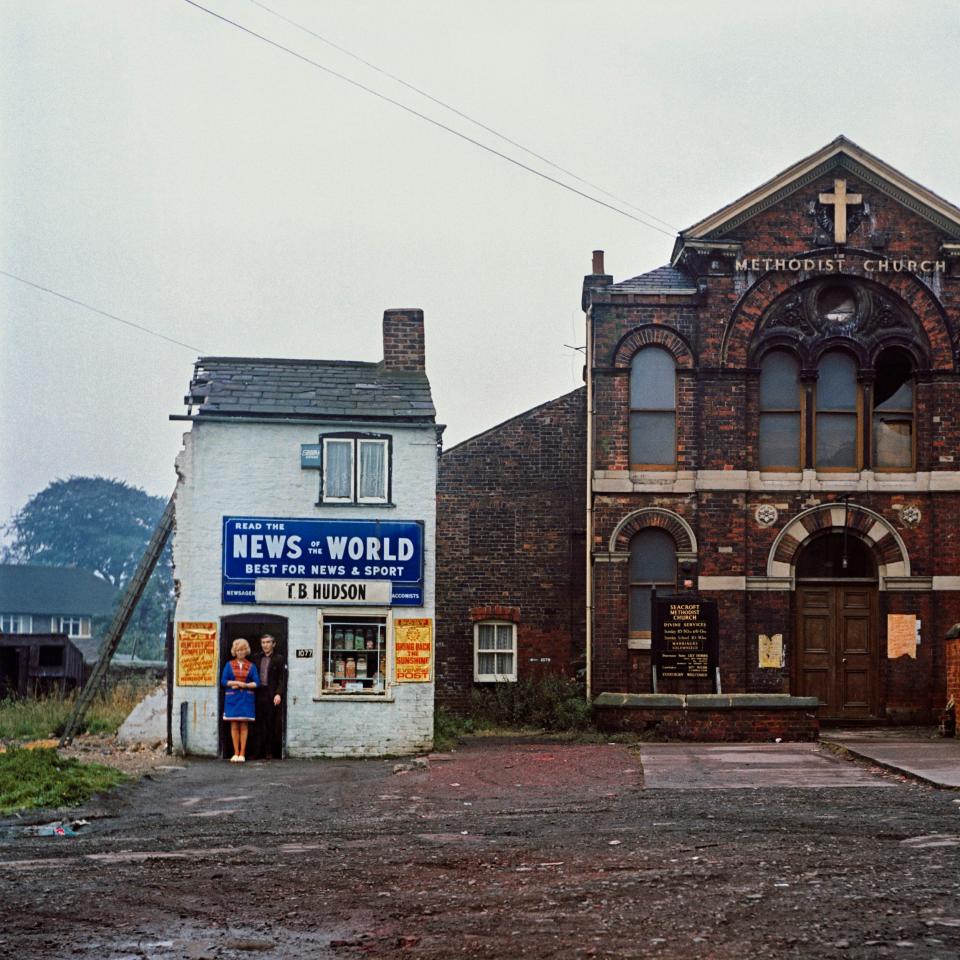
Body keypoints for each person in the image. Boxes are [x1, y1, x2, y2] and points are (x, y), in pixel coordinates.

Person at [222, 637, 259, 763]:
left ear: (246, 651)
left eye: (243, 649)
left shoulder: (252, 666)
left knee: (244, 725)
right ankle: (235, 752)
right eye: (238, 650)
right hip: (232, 698)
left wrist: (245, 685)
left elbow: (257, 683)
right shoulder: (229, 664)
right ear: (234, 651)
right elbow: (223, 681)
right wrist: (236, 682)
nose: (241, 652)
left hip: (246, 698)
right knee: (234, 725)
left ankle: (242, 753)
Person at [254, 633, 286, 759]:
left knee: (270, 723)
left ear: (274, 644)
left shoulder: (279, 658)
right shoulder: (256, 658)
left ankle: (269, 752)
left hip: (271, 694)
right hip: (257, 692)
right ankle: (256, 752)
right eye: (263, 642)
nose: (265, 645)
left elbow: (282, 678)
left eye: (268, 642)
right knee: (256, 723)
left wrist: (278, 693)